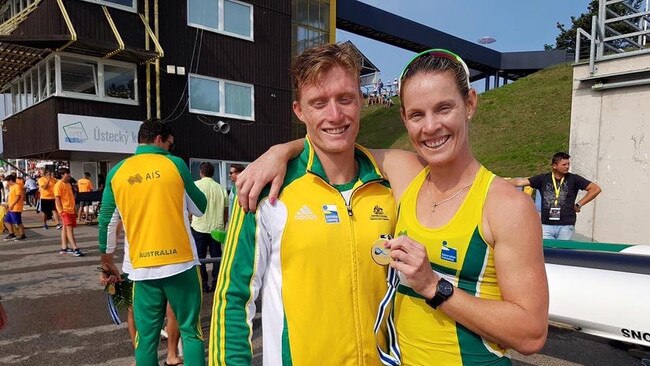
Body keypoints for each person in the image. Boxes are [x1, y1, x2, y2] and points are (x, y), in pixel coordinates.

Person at [237, 48, 549, 365]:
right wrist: (280, 151)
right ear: (404, 118)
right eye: (417, 114)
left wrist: (433, 286)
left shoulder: (507, 205)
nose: (430, 127)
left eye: (444, 109)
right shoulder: (406, 174)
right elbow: (334, 141)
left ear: (469, 103)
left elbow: (531, 335)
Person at [209, 43, 397, 365]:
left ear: (361, 101)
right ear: (300, 111)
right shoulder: (266, 188)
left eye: (345, 99)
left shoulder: (389, 186)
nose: (335, 115)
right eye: (319, 103)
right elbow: (233, 299)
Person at [98, 119, 207, 366]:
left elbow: (106, 221)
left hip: (140, 267)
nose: (171, 148)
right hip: (181, 265)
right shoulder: (175, 164)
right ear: (159, 139)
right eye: (170, 143)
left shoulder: (117, 172)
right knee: (191, 332)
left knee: (145, 338)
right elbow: (200, 207)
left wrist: (106, 261)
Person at [509, 152, 602, 240]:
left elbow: (595, 189)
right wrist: (498, 181)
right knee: (547, 252)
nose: (567, 167)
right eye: (564, 165)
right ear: (554, 166)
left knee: (563, 254)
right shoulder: (543, 178)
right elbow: (519, 182)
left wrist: (579, 204)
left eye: (568, 164)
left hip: (566, 225)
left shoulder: (574, 179)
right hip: (546, 225)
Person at [190, 162, 228, 293]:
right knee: (216, 256)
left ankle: (203, 283)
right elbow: (225, 210)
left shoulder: (195, 185)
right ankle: (216, 282)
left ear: (201, 173)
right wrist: (223, 223)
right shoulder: (221, 188)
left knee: (200, 258)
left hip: (199, 226)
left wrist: (190, 218)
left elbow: (190, 206)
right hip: (216, 228)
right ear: (213, 173)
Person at [54, 168, 84, 256]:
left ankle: (64, 247)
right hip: (65, 210)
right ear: (62, 175)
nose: (69, 175)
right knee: (69, 229)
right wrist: (61, 211)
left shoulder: (68, 184)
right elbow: (57, 199)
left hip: (70, 209)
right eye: (67, 174)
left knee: (65, 228)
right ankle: (75, 248)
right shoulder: (58, 185)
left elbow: (70, 198)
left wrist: (74, 209)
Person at [3, 175, 27, 241]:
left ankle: (23, 235)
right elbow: (12, 197)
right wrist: (8, 204)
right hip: (11, 208)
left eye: (7, 181)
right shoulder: (12, 187)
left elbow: (18, 197)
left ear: (11, 180)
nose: (7, 183)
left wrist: (12, 205)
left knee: (18, 222)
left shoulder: (17, 186)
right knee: (6, 221)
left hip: (16, 208)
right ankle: (11, 234)